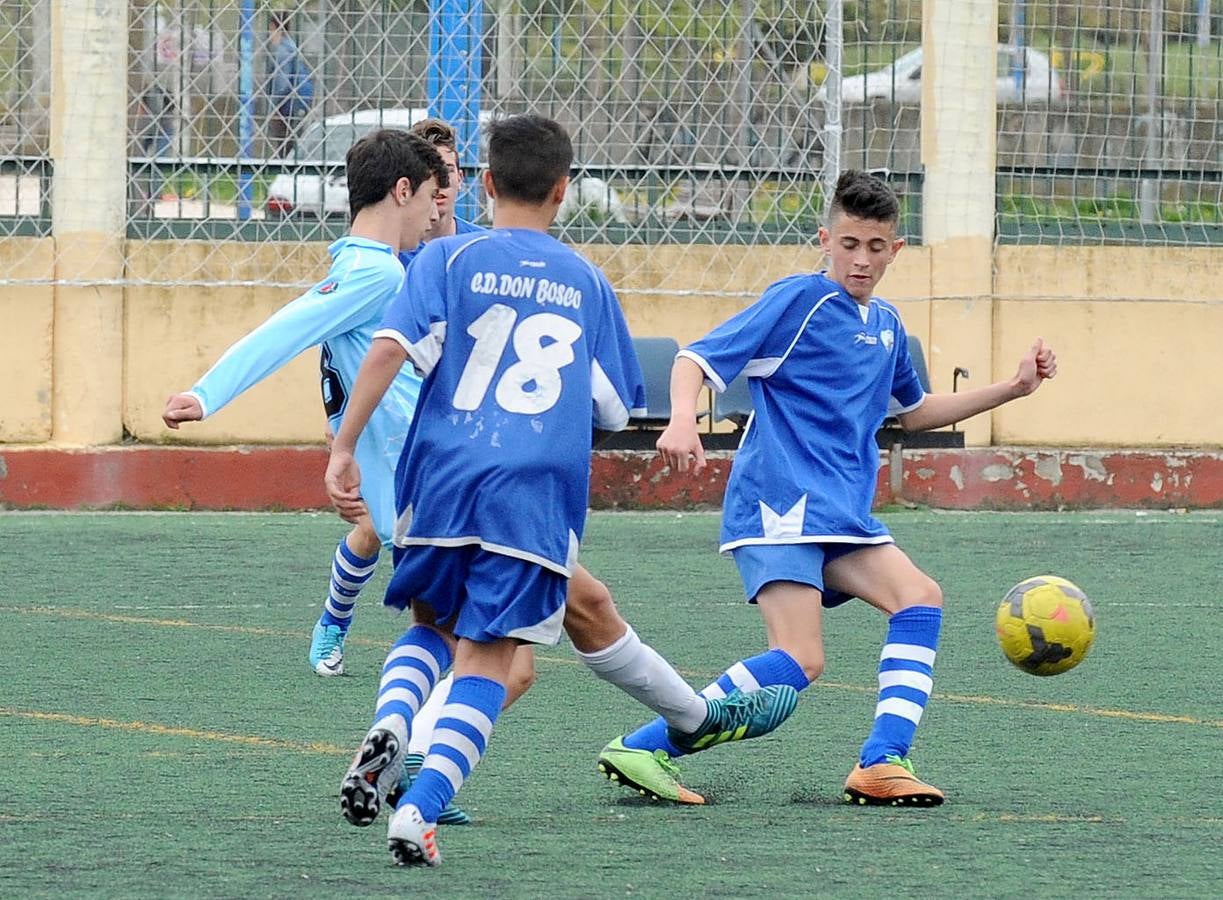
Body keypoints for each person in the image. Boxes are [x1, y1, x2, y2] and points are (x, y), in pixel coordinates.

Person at [324, 114, 799, 867]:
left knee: (429, 627)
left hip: (441, 473)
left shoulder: (445, 259)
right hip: (532, 496)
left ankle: (392, 720)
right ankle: (417, 810)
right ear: (562, 190)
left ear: (483, 183)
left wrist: (344, 446)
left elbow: (389, 349)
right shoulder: (585, 281)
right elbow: (613, 406)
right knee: (487, 661)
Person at [598, 169, 1059, 807]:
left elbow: (914, 411)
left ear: (895, 250)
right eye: (848, 244)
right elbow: (695, 359)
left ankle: (882, 761)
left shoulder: (889, 324)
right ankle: (647, 743)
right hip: (780, 505)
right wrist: (680, 419)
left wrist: (1012, 389)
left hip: (841, 514)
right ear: (825, 239)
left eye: (875, 247)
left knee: (920, 599)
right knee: (800, 660)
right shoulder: (798, 300)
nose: (861, 260)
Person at [161, 127, 446, 676]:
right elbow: (287, 329)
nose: (435, 217)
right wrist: (207, 393)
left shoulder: (379, 267)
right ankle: (412, 746)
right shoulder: (376, 272)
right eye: (431, 198)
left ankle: (408, 737)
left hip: (420, 466)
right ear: (403, 190)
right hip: (422, 469)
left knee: (455, 628)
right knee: (492, 637)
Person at [265, 12, 313, 158]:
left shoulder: (283, 51)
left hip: (288, 105)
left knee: (285, 145)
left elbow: (282, 83)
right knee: (293, 142)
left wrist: (273, 107)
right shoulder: (292, 46)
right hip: (298, 102)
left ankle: (285, 169)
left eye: (270, 29)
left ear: (274, 28)